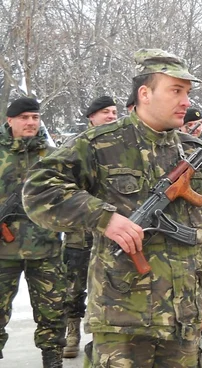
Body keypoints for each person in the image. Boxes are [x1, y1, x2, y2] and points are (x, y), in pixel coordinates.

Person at [22, 49, 202, 368]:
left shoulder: (195, 153)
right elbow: (37, 190)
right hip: (121, 321)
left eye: (187, 92)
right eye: (175, 90)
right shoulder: (100, 144)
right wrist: (103, 217)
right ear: (145, 93)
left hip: (182, 318)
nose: (185, 101)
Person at [0, 97, 66, 367]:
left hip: (46, 249)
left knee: (53, 313)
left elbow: (69, 196)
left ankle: (53, 360)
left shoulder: (53, 156)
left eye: (35, 118)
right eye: (25, 117)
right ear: (10, 120)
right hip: (3, 253)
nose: (31, 123)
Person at [62, 95, 120, 359]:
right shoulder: (75, 147)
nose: (111, 116)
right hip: (79, 234)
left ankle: (101, 340)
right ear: (91, 117)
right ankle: (72, 333)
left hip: (111, 232)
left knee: (110, 287)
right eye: (105, 112)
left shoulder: (120, 146)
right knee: (75, 286)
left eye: (114, 112)